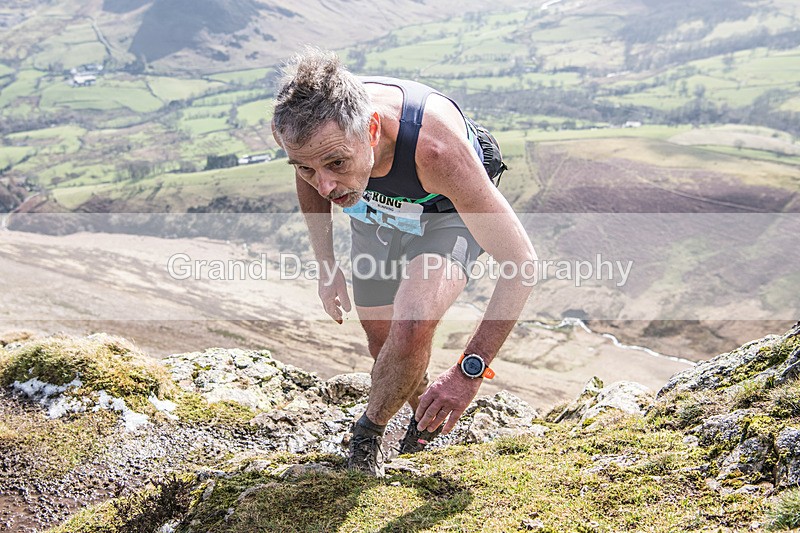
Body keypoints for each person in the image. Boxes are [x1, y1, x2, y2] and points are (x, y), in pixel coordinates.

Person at [272, 47, 535, 477]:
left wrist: (469, 373)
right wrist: (326, 264)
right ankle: (427, 424)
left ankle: (367, 436)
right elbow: (315, 171)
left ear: (372, 129)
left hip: (445, 208)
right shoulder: (310, 136)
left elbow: (521, 262)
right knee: (383, 341)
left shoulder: (436, 151)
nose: (324, 184)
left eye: (337, 162)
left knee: (413, 321)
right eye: (306, 168)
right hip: (376, 208)